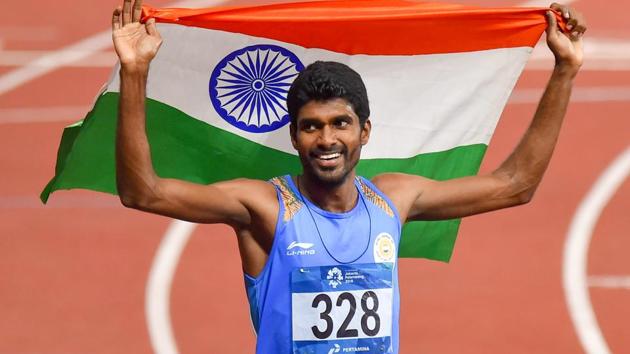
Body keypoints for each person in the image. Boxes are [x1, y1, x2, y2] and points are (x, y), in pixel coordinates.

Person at [111, 0, 586, 353]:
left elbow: (515, 184)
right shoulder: (264, 208)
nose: (326, 139)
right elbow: (143, 193)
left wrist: (564, 70)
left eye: (340, 124)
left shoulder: (394, 199)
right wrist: (134, 72)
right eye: (311, 126)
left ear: (365, 133)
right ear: (294, 137)